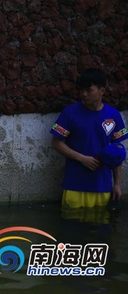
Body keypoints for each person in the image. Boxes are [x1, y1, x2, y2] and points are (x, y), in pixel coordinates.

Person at [50, 68, 127, 212]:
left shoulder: (113, 116)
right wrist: (82, 158)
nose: (83, 94)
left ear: (102, 91)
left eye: (89, 90)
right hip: (74, 184)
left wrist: (117, 184)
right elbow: (56, 143)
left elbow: (117, 151)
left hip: (102, 185)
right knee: (71, 228)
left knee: (101, 228)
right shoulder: (70, 113)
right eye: (81, 90)